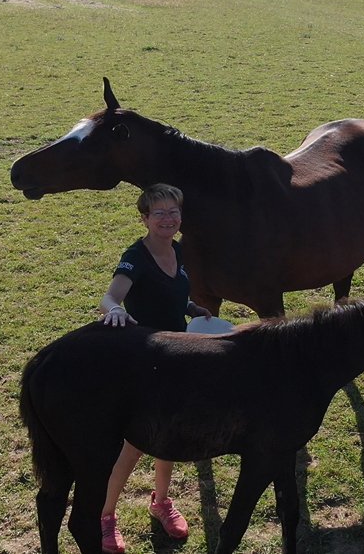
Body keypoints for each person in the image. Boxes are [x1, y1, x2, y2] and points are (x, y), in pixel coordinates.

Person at [98, 183, 212, 553]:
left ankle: (161, 502)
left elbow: (173, 297)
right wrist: (115, 310)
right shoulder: (137, 256)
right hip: (145, 360)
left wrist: (192, 309)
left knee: (169, 436)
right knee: (134, 445)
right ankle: (105, 516)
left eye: (173, 211)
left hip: (176, 356)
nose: (168, 218)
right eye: (159, 213)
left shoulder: (177, 250)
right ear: (145, 218)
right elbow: (110, 296)